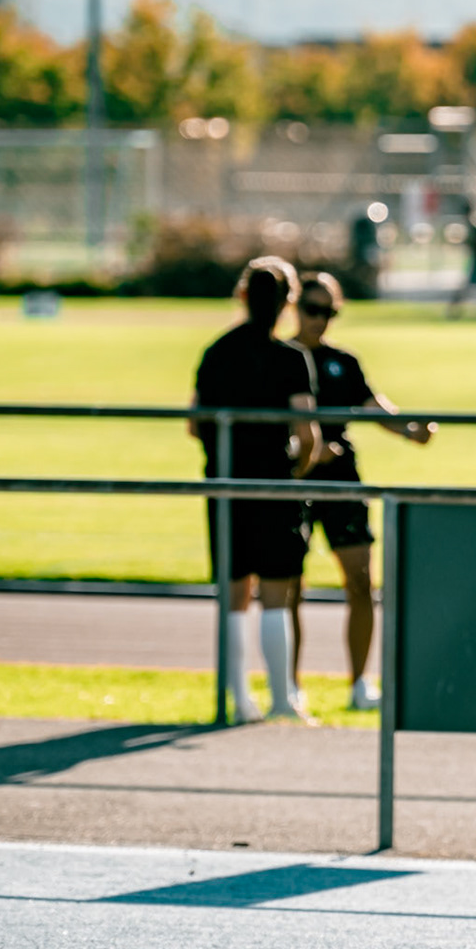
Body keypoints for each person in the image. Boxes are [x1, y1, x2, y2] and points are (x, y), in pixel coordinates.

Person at [287, 272, 436, 710]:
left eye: (329, 313)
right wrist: (306, 450)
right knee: (291, 584)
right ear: (295, 307)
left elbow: (375, 408)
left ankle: (358, 685)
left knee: (359, 581)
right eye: (313, 310)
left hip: (341, 479)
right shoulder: (281, 358)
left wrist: (412, 431)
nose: (321, 320)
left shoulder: (342, 361)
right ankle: (290, 686)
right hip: (293, 477)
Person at [189, 256, 326, 724]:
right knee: (275, 595)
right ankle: (282, 699)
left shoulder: (216, 352)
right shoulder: (291, 359)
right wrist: (298, 470)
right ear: (288, 302)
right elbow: (308, 435)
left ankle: (236, 701)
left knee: (233, 595)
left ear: (243, 296)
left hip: (226, 482)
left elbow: (195, 422)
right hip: (274, 483)